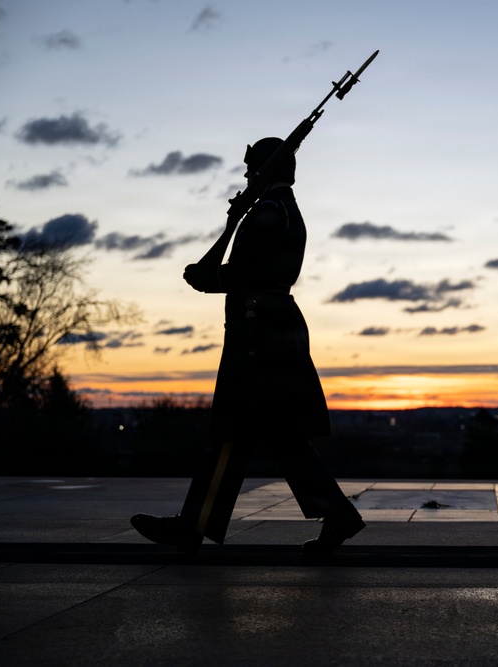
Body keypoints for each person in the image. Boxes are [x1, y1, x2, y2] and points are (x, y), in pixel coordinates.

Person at [131, 137, 364, 556]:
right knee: (281, 436)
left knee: (228, 435)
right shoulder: (283, 211)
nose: (246, 176)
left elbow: (239, 274)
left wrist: (222, 247)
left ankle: (192, 526)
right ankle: (338, 515)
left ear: (265, 171)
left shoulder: (266, 215)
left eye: (251, 169)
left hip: (256, 339)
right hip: (273, 332)